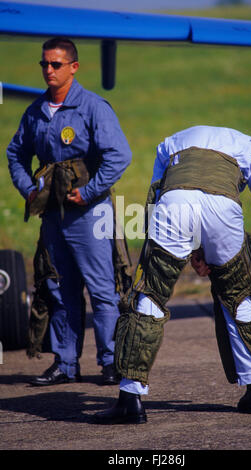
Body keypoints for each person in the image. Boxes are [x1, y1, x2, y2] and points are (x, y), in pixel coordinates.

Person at [93, 125, 251, 424]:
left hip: (175, 204)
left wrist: (189, 248)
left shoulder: (169, 143)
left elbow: (157, 195)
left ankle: (130, 398)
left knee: (150, 296)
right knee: (238, 294)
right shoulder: (250, 146)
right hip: (224, 209)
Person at [7, 37, 132, 386]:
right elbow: (15, 154)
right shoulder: (35, 111)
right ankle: (65, 364)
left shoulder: (93, 107)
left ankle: (110, 363)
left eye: (56, 64)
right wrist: (29, 189)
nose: (49, 70)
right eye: (44, 64)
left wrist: (89, 192)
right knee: (59, 289)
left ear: (73, 67)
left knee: (103, 290)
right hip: (52, 215)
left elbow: (119, 155)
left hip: (89, 215)